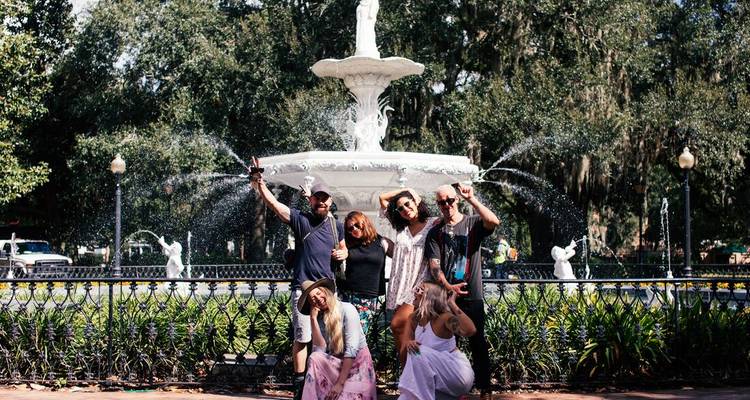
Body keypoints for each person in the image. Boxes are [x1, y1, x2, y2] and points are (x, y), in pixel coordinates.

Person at [249, 157, 348, 399]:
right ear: (312, 200)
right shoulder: (301, 220)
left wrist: (344, 252)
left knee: (331, 337)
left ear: (330, 201)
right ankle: (300, 385)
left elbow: (343, 249)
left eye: (325, 198)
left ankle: (326, 380)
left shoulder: (338, 226)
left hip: (328, 290)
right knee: (302, 337)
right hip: (303, 288)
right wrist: (260, 184)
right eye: (317, 197)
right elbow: (275, 205)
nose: (321, 201)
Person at [425, 183, 500, 400]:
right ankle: (455, 390)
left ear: (456, 200)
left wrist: (471, 199)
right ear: (438, 204)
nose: (446, 205)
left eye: (450, 200)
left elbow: (494, 221)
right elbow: (434, 265)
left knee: (477, 342)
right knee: (448, 345)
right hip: (446, 298)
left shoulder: (472, 223)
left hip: (471, 295)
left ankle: (485, 389)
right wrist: (448, 287)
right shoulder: (435, 233)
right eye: (441, 202)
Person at [379, 188, 440, 366]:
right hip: (401, 284)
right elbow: (383, 198)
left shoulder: (433, 223)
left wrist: (412, 191)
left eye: (408, 203)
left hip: (421, 284)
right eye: (400, 208)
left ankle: (411, 375)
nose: (405, 209)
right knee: (408, 331)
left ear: (416, 202)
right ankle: (413, 375)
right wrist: (409, 192)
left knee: (397, 325)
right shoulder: (401, 227)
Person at [298, 278, 377, 400]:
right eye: (313, 298)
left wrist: (339, 384)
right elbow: (319, 352)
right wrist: (313, 319)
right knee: (314, 358)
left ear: (326, 291)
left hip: (357, 367)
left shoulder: (347, 309)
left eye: (319, 293)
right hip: (338, 365)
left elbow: (351, 350)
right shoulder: (320, 317)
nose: (318, 299)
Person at [398, 282, 476, 400]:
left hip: (457, 374)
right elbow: (404, 354)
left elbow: (470, 330)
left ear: (430, 297)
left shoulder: (444, 318)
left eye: (419, 290)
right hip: (435, 381)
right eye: (415, 288)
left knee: (418, 352)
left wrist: (452, 304)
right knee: (406, 397)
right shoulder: (413, 318)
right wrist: (408, 344)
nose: (415, 292)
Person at [338, 211, 393, 335]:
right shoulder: (347, 243)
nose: (354, 229)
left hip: (373, 298)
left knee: (367, 337)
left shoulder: (382, 242)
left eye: (357, 225)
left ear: (365, 223)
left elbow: (402, 256)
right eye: (350, 228)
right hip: (350, 296)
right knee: (350, 335)